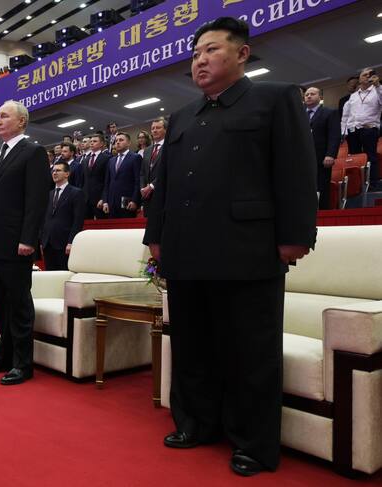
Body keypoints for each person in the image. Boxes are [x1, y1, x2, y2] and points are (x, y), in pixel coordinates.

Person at [143, 17, 317, 476]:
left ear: (241, 54)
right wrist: (155, 236)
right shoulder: (182, 116)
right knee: (192, 343)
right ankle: (196, 423)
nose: (200, 60)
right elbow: (164, 183)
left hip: (247, 248)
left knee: (250, 350)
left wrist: (296, 235)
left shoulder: (275, 98)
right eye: (195, 54)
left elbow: (297, 171)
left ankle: (253, 444)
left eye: (212, 50)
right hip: (185, 248)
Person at [0, 100, 51, 385]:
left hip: (17, 243)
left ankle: (23, 363)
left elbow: (36, 200)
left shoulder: (32, 152)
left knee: (19, 304)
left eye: (4, 116)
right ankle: (3, 356)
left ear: (21, 121)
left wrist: (28, 238)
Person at [341, 67, 382, 189]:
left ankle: (373, 184)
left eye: (370, 74)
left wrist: (378, 85)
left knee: (370, 156)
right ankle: (357, 186)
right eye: (364, 74)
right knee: (354, 158)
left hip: (369, 129)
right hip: (353, 130)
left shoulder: (377, 91)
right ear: (359, 78)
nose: (367, 76)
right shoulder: (353, 96)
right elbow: (346, 115)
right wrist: (343, 131)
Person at [40, 162, 85, 271]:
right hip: (48, 243)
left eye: (58, 170)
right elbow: (44, 219)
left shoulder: (76, 193)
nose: (54, 173)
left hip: (64, 243)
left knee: (64, 274)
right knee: (49, 275)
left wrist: (71, 242)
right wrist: (41, 240)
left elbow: (78, 220)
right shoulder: (49, 194)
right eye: (53, 171)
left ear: (67, 174)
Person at [304, 87, 340, 210]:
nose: (309, 96)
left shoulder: (329, 112)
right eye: (306, 94)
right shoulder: (299, 115)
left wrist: (331, 154)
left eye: (312, 94)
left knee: (321, 187)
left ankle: (323, 213)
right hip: (302, 159)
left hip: (322, 158)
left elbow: (334, 135)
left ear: (320, 97)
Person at [101, 132, 141, 218]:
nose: (118, 142)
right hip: (111, 202)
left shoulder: (135, 157)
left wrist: (135, 200)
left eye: (121, 140)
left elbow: (138, 181)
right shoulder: (111, 161)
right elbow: (107, 183)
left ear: (129, 143)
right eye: (116, 141)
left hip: (127, 201)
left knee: (126, 225)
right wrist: (105, 201)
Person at [140, 117, 167, 215]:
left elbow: (168, 170)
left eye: (158, 128)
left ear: (166, 130)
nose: (154, 130)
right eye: (152, 128)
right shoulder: (147, 150)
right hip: (147, 197)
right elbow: (142, 173)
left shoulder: (170, 147)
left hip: (163, 194)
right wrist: (142, 188)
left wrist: (152, 186)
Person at [83, 134, 111, 219]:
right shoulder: (85, 160)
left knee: (102, 223)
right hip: (86, 199)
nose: (92, 143)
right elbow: (83, 180)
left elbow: (107, 180)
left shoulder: (107, 158)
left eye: (95, 141)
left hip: (99, 198)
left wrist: (104, 198)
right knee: (86, 224)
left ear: (102, 144)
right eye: (91, 141)